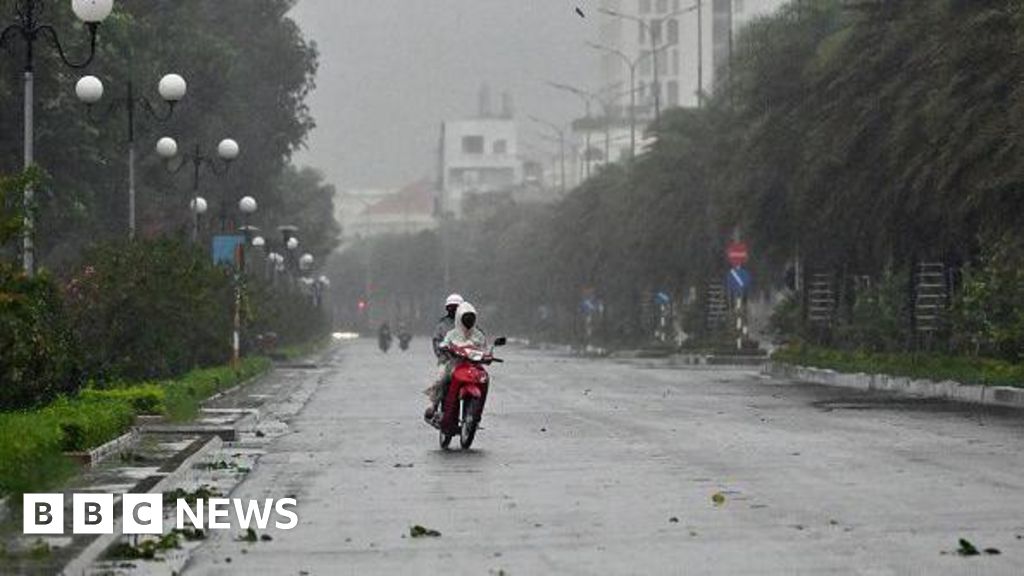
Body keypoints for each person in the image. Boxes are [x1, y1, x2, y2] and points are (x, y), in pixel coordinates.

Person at [425, 301, 485, 422]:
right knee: (442, 378)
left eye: (470, 318)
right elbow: (441, 343)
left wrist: (487, 355)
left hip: (472, 363)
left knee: (483, 378)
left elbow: (484, 347)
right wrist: (444, 351)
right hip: (452, 362)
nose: (468, 321)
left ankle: (476, 412)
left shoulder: (478, 333)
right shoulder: (449, 331)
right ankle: (433, 405)